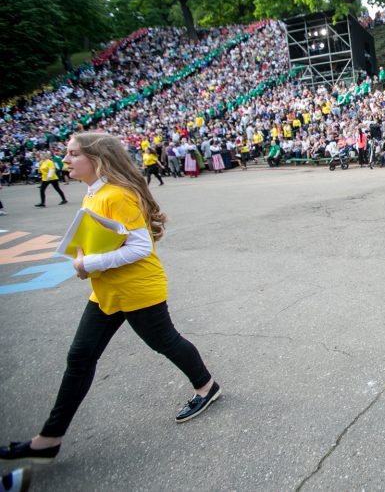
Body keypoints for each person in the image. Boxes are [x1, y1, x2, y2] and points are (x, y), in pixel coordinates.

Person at [0, 133, 220, 466]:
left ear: (97, 158)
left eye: (74, 154)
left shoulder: (116, 195)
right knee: (80, 356)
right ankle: (50, 439)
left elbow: (140, 248)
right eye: (67, 154)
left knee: (166, 342)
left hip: (137, 288)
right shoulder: (95, 193)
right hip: (107, 290)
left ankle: (206, 387)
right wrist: (87, 257)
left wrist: (88, 263)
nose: (66, 160)